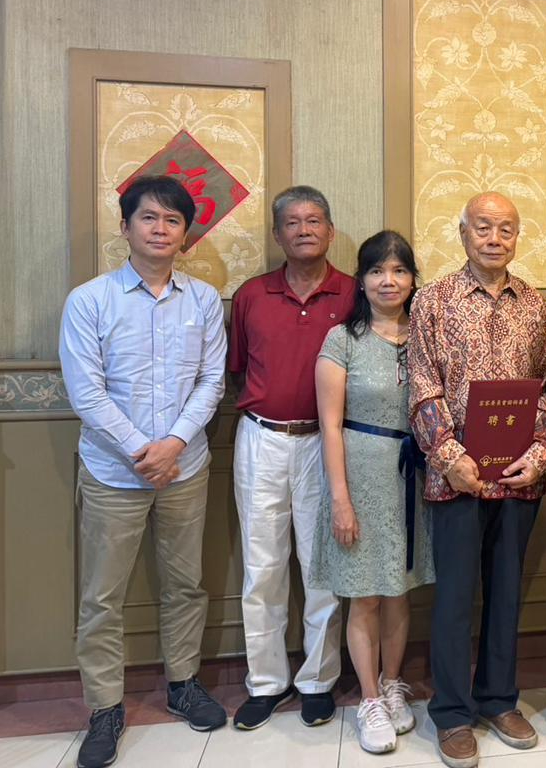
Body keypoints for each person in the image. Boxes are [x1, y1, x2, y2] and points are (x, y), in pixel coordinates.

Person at [58, 175, 228, 768]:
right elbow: (86, 391)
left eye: (173, 220)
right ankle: (105, 709)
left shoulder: (204, 300)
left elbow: (212, 381)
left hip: (187, 468)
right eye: (149, 218)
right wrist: (144, 450)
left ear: (186, 233)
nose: (160, 229)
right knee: (102, 597)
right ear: (125, 226)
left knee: (186, 583)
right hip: (112, 472)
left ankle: (183, 684)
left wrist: (175, 443)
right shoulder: (89, 300)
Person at [407, 191, 546, 768]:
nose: (495, 238)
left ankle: (499, 699)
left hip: (519, 480)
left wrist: (540, 453)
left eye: (507, 230)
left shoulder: (537, 307)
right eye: (484, 228)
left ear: (518, 237)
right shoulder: (434, 302)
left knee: (506, 594)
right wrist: (449, 456)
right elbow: (422, 385)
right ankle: (451, 712)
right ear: (463, 232)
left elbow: (545, 392)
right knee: (454, 600)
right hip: (456, 480)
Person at [226, 186, 353, 730]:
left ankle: (320, 680)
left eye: (315, 220)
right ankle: (266, 682)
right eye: (292, 222)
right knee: (263, 567)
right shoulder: (251, 295)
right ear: (277, 234)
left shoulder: (354, 294)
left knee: (322, 566)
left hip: (330, 444)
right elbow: (234, 369)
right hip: (261, 440)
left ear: (329, 231)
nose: (304, 229)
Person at [312, 230, 435, 754]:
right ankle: (367, 698)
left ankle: (392, 683)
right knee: (363, 592)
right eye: (378, 271)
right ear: (361, 281)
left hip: (415, 476)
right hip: (360, 474)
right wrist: (341, 499)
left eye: (400, 270)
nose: (389, 280)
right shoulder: (343, 341)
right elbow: (330, 427)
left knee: (398, 589)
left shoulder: (428, 338)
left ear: (412, 279)